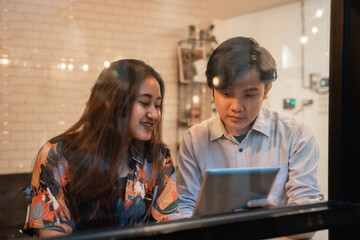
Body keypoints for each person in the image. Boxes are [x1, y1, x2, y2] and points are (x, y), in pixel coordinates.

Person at [24, 59, 179, 238]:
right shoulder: (57, 155)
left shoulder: (158, 156)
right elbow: (53, 234)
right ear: (114, 103)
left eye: (157, 105)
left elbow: (169, 227)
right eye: (145, 103)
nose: (154, 114)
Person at [176, 37, 324, 221]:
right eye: (226, 94)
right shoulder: (194, 139)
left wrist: (273, 219)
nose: (237, 106)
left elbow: (308, 216)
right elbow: (184, 209)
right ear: (212, 89)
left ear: (267, 89)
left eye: (249, 94)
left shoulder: (295, 135)